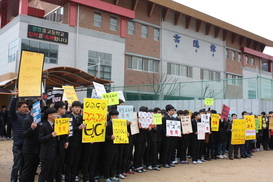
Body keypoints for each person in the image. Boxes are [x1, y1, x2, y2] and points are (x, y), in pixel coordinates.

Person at [9, 91, 29, 182]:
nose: (26, 109)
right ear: (18, 108)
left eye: (27, 107)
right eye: (24, 107)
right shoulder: (15, 116)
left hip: (26, 145)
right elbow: (11, 109)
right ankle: (13, 180)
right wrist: (14, 98)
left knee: (24, 166)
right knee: (16, 165)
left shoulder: (28, 117)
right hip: (18, 144)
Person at [65, 101, 86, 182]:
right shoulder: (68, 117)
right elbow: (68, 129)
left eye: (79, 107)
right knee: (69, 163)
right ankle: (67, 179)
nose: (77, 109)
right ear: (72, 108)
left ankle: (73, 178)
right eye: (76, 107)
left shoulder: (81, 117)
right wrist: (78, 128)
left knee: (76, 163)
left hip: (79, 144)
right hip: (71, 143)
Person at [21, 101, 41, 182]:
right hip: (29, 149)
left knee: (33, 169)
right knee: (27, 169)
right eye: (36, 108)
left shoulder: (39, 120)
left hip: (38, 148)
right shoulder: (27, 120)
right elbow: (25, 134)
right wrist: (32, 128)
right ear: (31, 109)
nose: (38, 110)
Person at [38, 107, 59, 182]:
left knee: (52, 174)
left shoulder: (56, 125)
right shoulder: (43, 126)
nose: (57, 115)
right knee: (44, 173)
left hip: (54, 153)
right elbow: (40, 139)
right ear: (49, 115)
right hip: (46, 154)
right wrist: (51, 135)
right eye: (55, 114)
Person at [103, 109, 120, 182]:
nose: (115, 117)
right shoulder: (107, 124)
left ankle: (112, 175)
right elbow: (103, 135)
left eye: (116, 115)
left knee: (114, 161)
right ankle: (106, 176)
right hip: (109, 146)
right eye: (113, 115)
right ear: (110, 116)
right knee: (108, 162)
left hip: (116, 146)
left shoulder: (119, 124)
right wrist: (110, 137)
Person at [53, 101, 69, 182]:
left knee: (60, 165)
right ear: (59, 109)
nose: (65, 110)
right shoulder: (53, 119)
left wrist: (66, 140)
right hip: (53, 146)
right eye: (64, 108)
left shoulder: (64, 119)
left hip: (62, 145)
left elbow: (64, 133)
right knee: (54, 166)